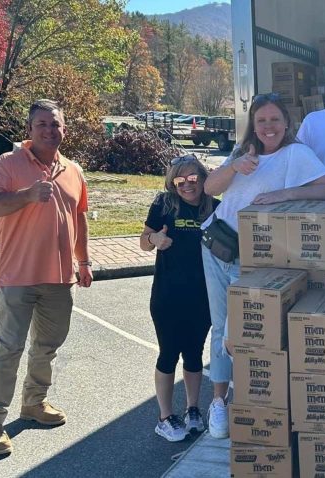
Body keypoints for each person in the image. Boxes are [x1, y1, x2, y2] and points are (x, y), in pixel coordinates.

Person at [201, 93, 325, 438]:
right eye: (261, 121)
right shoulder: (243, 153)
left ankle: (247, 398)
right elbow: (209, 188)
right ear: (253, 125)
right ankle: (219, 402)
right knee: (219, 329)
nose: (268, 127)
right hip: (215, 245)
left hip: (251, 254)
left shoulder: (297, 155)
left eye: (275, 119)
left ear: (287, 123)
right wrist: (234, 166)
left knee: (235, 337)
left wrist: (285, 195)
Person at [0, 99, 93, 456]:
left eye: (55, 124)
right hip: (18, 276)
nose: (49, 130)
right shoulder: (7, 165)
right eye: (41, 124)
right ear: (29, 130)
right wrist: (25, 196)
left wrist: (84, 260)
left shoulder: (72, 169)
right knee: (8, 350)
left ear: (64, 130)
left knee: (48, 346)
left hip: (59, 277)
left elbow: (80, 216)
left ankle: (34, 403)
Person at [140, 154, 218, 442]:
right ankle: (165, 417)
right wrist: (154, 240)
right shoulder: (164, 204)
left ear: (203, 177)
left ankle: (192, 409)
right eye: (180, 180)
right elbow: (143, 240)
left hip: (202, 296)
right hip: (168, 295)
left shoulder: (214, 208)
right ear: (172, 182)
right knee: (169, 352)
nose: (187, 185)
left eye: (193, 178)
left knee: (195, 353)